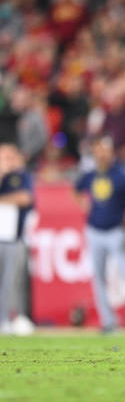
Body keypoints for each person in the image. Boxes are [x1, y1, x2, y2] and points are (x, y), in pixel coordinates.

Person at [75, 136, 125, 333]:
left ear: (111, 152)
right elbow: (76, 190)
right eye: (99, 150)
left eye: (106, 150)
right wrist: (83, 204)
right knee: (98, 277)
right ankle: (108, 321)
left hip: (116, 230)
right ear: (95, 152)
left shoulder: (122, 174)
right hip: (94, 230)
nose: (102, 154)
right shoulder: (90, 174)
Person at [0, 143, 35, 335]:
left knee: (11, 282)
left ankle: (9, 318)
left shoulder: (21, 176)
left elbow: (25, 198)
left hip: (14, 236)